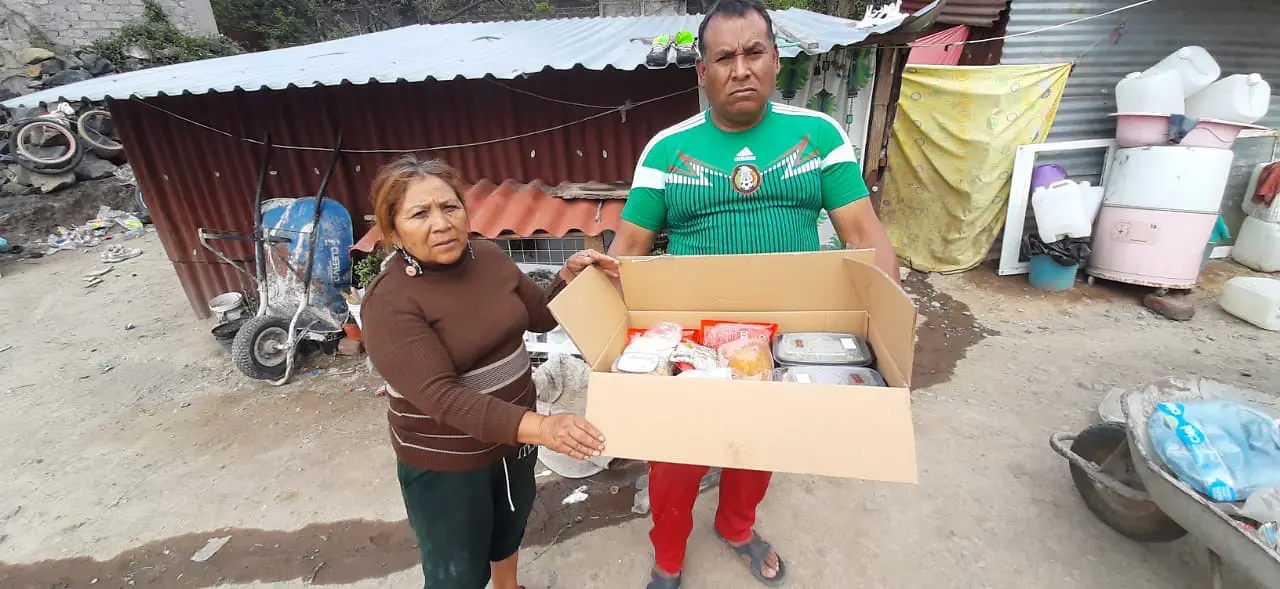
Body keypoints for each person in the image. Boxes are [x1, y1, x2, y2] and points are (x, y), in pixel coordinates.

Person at [608, 0, 902, 587]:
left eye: (754, 53)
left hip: (784, 340)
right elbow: (629, 248)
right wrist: (602, 319)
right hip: (691, 342)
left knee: (759, 447)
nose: (740, 69)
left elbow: (866, 235)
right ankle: (668, 557)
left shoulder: (818, 137)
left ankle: (737, 528)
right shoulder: (666, 151)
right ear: (702, 71)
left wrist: (893, 330)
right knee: (674, 460)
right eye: (724, 57)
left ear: (775, 60)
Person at [360, 155, 617, 589]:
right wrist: (542, 428)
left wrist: (568, 279)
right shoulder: (390, 302)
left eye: (450, 207)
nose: (441, 223)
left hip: (513, 441)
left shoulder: (490, 257)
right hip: (449, 462)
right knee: (456, 571)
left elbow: (539, 316)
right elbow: (442, 398)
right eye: (420, 213)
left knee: (509, 527)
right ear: (392, 231)